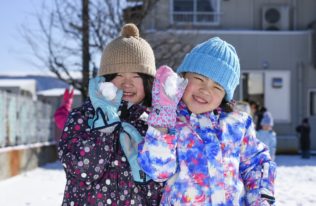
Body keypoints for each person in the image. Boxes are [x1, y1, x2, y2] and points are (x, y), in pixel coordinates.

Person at [138, 37, 276, 205]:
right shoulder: (169, 121)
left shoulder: (236, 124)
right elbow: (157, 170)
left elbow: (256, 162)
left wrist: (261, 198)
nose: (205, 90)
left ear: (225, 96)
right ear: (183, 77)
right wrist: (163, 118)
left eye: (217, 87)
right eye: (199, 79)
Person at [58, 23, 163, 205]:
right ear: (105, 79)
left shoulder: (154, 124)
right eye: (119, 75)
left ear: (148, 82)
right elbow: (80, 171)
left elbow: (160, 195)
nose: (127, 84)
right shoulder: (82, 118)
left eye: (136, 76)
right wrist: (103, 130)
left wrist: (145, 176)